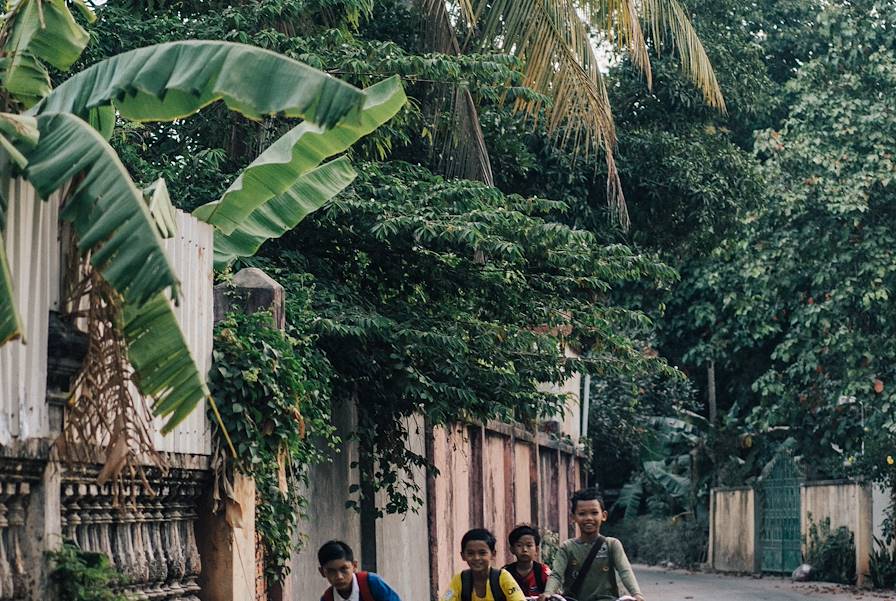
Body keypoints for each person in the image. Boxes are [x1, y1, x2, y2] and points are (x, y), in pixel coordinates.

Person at [540, 488, 644, 601]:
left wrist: (637, 594)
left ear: (603, 515)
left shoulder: (612, 545)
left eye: (594, 513)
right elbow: (556, 575)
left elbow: (625, 571)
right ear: (573, 517)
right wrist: (548, 593)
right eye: (582, 514)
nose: (589, 518)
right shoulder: (567, 547)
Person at [442, 528, 527, 601]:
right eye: (470, 553)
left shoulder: (502, 578)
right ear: (463, 556)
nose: (476, 558)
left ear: (493, 554)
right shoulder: (459, 580)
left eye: (482, 553)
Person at [318, 540, 402, 601]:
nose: (339, 576)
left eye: (344, 569)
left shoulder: (372, 584)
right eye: (331, 571)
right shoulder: (327, 599)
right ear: (322, 572)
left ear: (354, 566)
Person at [502, 524, 551, 596]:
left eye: (529, 545)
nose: (524, 550)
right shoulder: (505, 573)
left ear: (536, 549)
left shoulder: (543, 571)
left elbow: (554, 594)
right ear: (512, 549)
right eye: (519, 545)